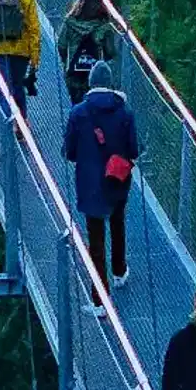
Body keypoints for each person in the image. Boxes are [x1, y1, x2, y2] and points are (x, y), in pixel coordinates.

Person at [63, 60, 139, 307]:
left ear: (91, 83)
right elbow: (134, 149)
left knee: (96, 240)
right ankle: (119, 271)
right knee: (118, 224)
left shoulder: (78, 112)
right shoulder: (125, 111)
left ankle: (100, 300)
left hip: (89, 182)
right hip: (118, 179)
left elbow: (69, 152)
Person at [58, 0, 119, 106]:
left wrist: (66, 62)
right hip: (95, 76)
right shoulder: (104, 27)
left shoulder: (69, 23)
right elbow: (111, 52)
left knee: (77, 107)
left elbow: (61, 45)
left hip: (73, 73)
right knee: (96, 109)